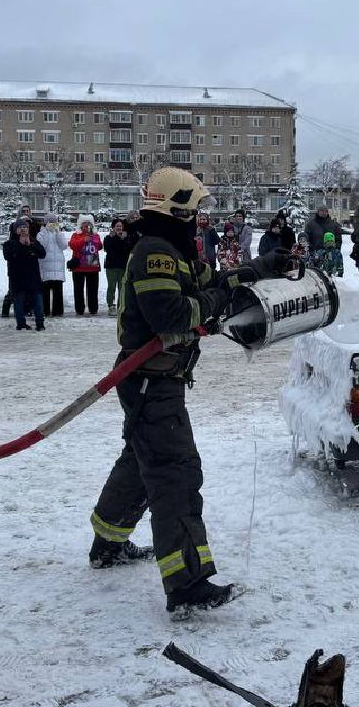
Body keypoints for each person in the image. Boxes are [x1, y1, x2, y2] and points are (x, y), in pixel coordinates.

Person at [87, 168, 291, 616]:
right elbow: (173, 317)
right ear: (176, 209)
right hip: (151, 380)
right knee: (175, 474)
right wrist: (214, 305)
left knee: (142, 461)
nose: (200, 217)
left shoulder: (172, 248)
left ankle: (108, 540)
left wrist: (261, 268)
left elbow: (212, 282)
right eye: (195, 209)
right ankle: (188, 586)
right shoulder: (155, 253)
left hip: (154, 380)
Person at [4, 219, 47, 330]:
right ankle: (21, 323)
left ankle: (40, 322)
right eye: (20, 227)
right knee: (19, 300)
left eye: (25, 227)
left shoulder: (33, 241)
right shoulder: (9, 243)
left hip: (33, 276)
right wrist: (20, 244)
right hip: (18, 277)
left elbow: (42, 254)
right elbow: (8, 256)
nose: (23, 229)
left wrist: (31, 245)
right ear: (15, 230)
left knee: (37, 299)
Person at [37, 212, 70, 317]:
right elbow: (42, 245)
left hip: (58, 268)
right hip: (46, 266)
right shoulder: (41, 233)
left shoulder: (59, 233)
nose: (52, 224)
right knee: (45, 292)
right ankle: (45, 311)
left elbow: (64, 245)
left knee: (58, 291)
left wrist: (58, 232)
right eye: (50, 222)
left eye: (54, 222)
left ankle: (58, 312)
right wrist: (46, 231)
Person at [69, 217, 103, 315]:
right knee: (78, 289)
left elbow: (100, 246)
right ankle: (79, 309)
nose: (86, 226)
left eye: (89, 224)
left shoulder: (96, 235)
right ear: (81, 225)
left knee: (93, 289)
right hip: (79, 266)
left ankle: (93, 308)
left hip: (92, 265)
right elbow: (72, 245)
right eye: (84, 224)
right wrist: (84, 240)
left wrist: (93, 238)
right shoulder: (76, 235)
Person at [102, 218, 133, 314]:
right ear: (113, 227)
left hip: (123, 266)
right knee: (111, 286)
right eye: (117, 226)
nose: (119, 228)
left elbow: (128, 250)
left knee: (122, 287)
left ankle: (121, 305)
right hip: (111, 266)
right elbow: (108, 249)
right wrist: (114, 238)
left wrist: (124, 239)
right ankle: (111, 305)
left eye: (120, 226)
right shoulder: (108, 238)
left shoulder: (127, 238)